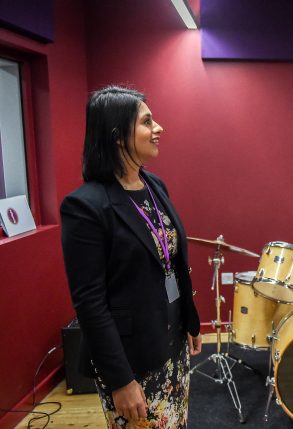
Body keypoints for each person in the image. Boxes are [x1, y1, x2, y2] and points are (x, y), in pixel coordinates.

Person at [61, 86, 202, 428]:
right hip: (131, 360)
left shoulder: (154, 186)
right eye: (147, 122)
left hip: (170, 344)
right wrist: (120, 380)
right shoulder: (86, 206)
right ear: (118, 135)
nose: (159, 129)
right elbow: (90, 303)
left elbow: (172, 263)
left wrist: (189, 320)